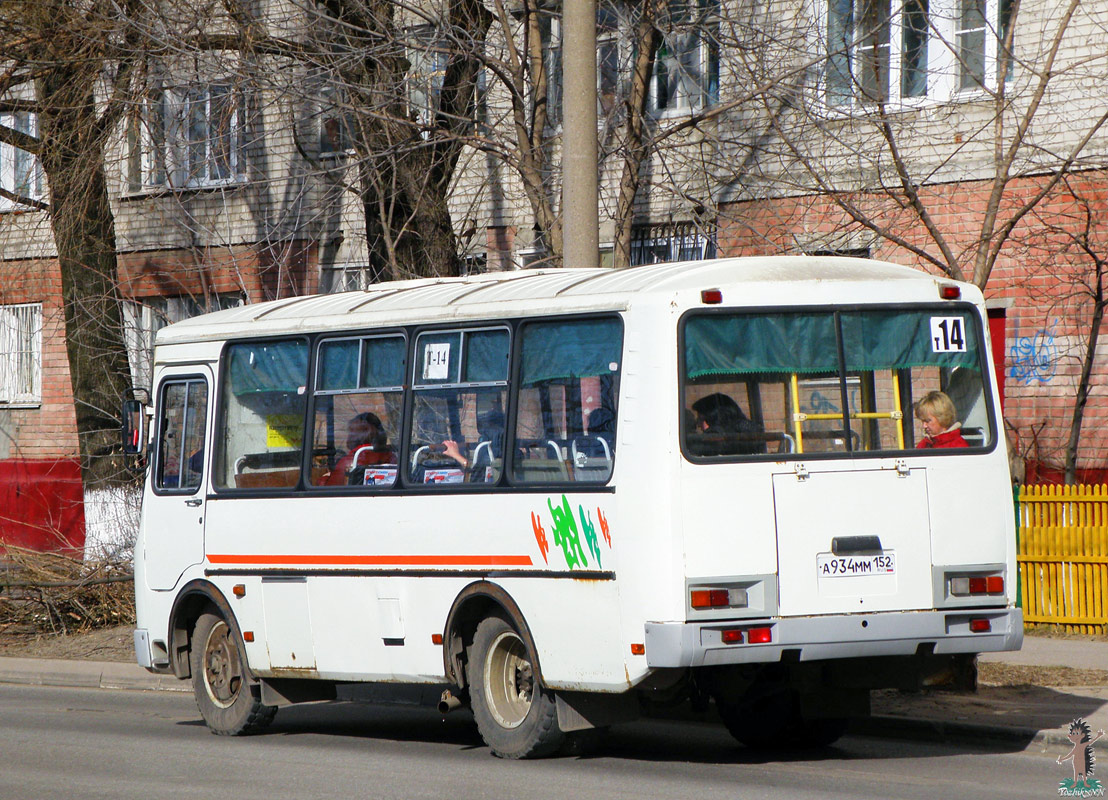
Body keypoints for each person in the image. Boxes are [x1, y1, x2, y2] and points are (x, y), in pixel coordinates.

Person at [324, 412, 395, 486]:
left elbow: (330, 490)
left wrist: (324, 479)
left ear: (363, 433)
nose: (349, 435)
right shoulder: (392, 457)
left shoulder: (349, 462)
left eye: (351, 430)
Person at [441, 409, 505, 483]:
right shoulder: (504, 442)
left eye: (488, 426)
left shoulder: (493, 442)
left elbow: (476, 472)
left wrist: (455, 454)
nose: (485, 430)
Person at [690, 392, 765, 455]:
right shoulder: (751, 431)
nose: (698, 424)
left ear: (712, 416)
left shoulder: (716, 439)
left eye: (701, 419)